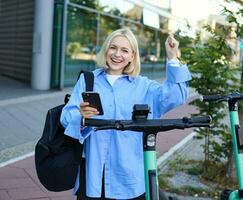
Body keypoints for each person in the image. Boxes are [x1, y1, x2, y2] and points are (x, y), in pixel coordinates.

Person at [60, 28, 192, 200]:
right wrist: (81, 116)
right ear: (106, 49)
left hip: (129, 178)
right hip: (93, 174)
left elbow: (176, 96)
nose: (117, 54)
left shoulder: (144, 86)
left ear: (132, 56)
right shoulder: (88, 80)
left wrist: (172, 58)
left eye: (124, 50)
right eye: (113, 47)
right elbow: (66, 117)